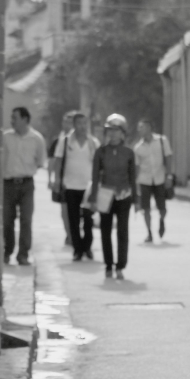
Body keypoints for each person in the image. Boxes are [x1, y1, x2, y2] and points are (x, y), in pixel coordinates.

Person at [89, 114, 137, 281]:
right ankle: (108, 265)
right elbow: (95, 177)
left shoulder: (129, 153)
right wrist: (93, 198)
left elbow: (133, 177)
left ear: (123, 133)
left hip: (124, 195)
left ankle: (120, 265)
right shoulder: (100, 152)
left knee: (123, 232)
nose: (113, 134)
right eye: (110, 130)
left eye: (116, 130)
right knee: (105, 232)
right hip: (105, 195)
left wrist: (136, 199)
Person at [53, 112, 100, 261]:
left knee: (88, 218)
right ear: (74, 125)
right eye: (79, 123)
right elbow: (58, 160)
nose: (83, 126)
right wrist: (57, 180)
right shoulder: (66, 141)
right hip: (71, 185)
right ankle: (77, 249)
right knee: (73, 219)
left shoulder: (93, 142)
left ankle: (87, 247)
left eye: (85, 123)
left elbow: (99, 164)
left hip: (88, 186)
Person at [3, 106, 47, 266]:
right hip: (7, 183)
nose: (12, 121)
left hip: (27, 184)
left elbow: (41, 161)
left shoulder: (37, 139)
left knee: (26, 220)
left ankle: (23, 255)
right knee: (7, 219)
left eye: (15, 117)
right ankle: (7, 251)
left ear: (25, 119)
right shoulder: (5, 137)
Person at [134, 118, 173, 243]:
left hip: (160, 178)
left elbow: (168, 157)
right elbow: (136, 166)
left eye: (143, 127)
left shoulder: (162, 141)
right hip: (144, 180)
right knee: (145, 208)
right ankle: (149, 232)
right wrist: (136, 184)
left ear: (150, 128)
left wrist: (169, 175)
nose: (141, 130)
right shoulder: (138, 148)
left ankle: (161, 221)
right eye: (140, 128)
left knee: (162, 207)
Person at [48, 110, 77, 246]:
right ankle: (70, 235)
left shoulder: (87, 140)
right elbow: (53, 161)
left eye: (71, 121)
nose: (68, 124)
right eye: (66, 121)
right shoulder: (59, 141)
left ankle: (76, 233)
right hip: (64, 182)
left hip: (81, 182)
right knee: (65, 210)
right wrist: (52, 179)